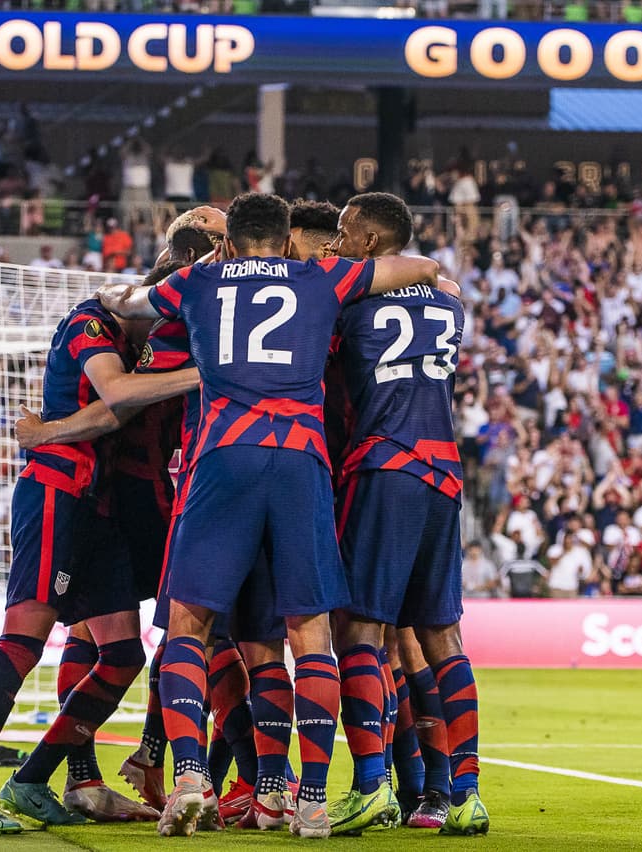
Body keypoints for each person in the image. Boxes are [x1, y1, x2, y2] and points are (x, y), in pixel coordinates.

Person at [99, 192, 439, 838]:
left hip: (223, 455)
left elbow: (130, 302)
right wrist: (434, 275)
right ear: (285, 241)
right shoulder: (321, 276)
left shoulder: (197, 280)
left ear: (233, 243)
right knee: (310, 634)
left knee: (187, 626)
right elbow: (403, 270)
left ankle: (190, 777)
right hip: (299, 461)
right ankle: (309, 798)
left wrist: (113, 297)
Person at [0, 269, 197, 834]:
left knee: (124, 652)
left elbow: (118, 413)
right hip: (56, 490)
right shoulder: (89, 322)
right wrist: (204, 374)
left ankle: (31, 779)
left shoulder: (133, 342)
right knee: (23, 641)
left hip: (97, 502)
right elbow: (115, 400)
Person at [329, 191, 487, 835]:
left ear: (369, 243)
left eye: (343, 231)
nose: (336, 241)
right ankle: (467, 794)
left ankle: (372, 786)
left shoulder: (351, 299)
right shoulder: (448, 302)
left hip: (385, 464)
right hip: (444, 472)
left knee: (362, 632)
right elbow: (437, 290)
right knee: (442, 637)